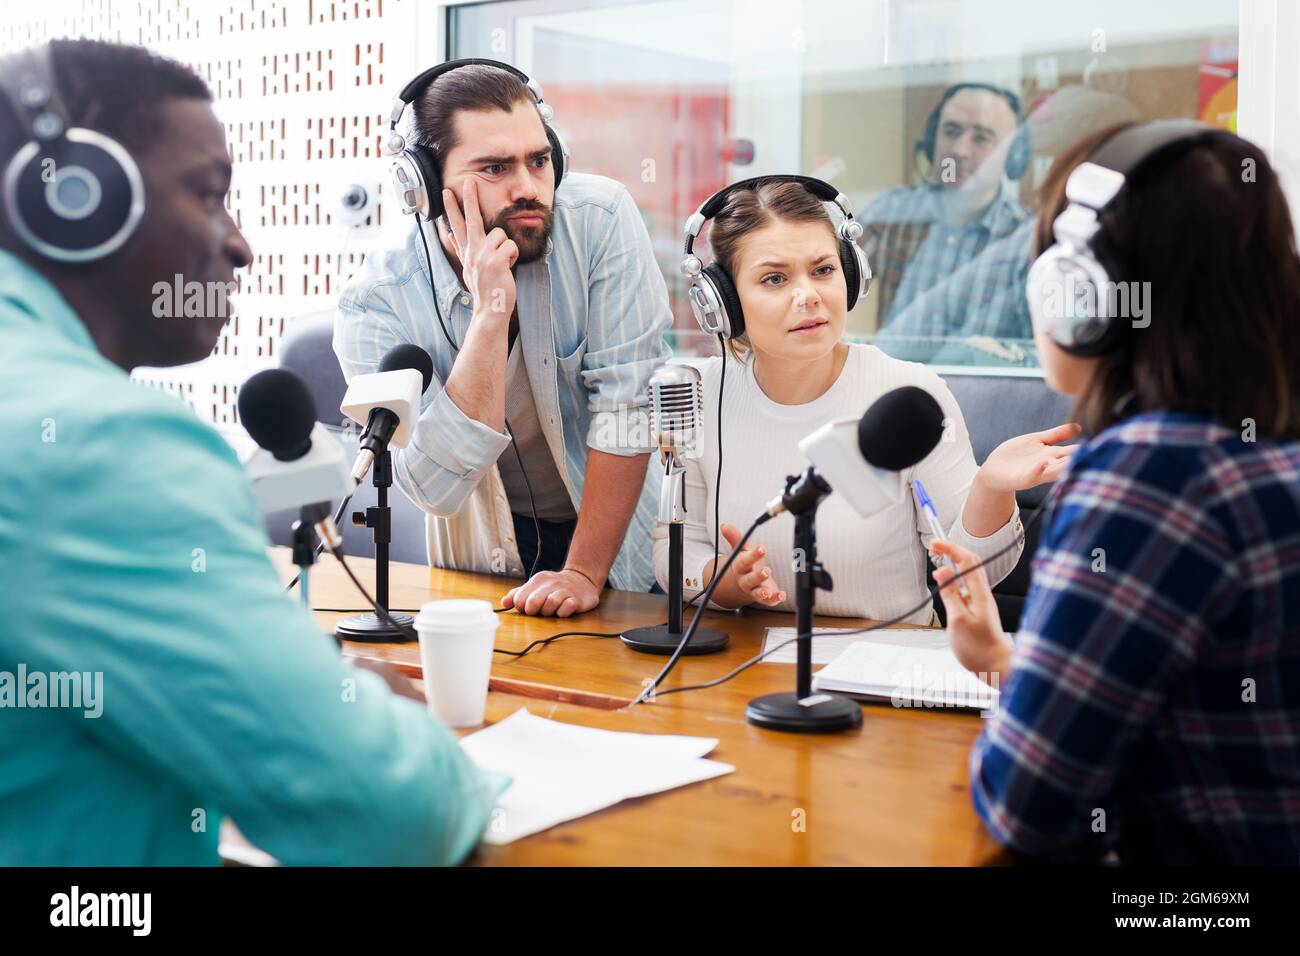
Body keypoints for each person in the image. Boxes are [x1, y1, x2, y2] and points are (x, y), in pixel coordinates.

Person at [0, 39, 501, 865]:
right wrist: (366, 719)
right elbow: (392, 813)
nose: (240, 247)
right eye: (208, 194)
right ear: (77, 202)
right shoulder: (102, 449)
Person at [932, 121, 1300, 864]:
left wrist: (1023, 694)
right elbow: (1197, 702)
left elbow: (1027, 804)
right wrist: (1012, 663)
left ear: (1080, 294)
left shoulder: (1153, 474)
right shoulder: (1262, 450)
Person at [655, 177, 1078, 621]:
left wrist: (991, 488)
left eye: (823, 270)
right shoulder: (698, 395)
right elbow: (672, 550)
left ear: (851, 275)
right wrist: (725, 583)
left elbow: (969, 573)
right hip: (746, 671)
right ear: (723, 301)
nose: (809, 296)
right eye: (774, 278)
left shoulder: (905, 393)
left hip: (886, 669)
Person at [336, 60, 670, 618]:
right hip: (482, 562)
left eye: (539, 161)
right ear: (418, 182)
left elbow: (628, 408)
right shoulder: (374, 305)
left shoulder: (601, 220)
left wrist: (582, 571)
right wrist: (489, 316)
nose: (528, 188)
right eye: (494, 168)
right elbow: (433, 488)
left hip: (615, 543)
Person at [860, 83, 1030, 341]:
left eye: (981, 138)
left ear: (1013, 155)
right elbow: (827, 276)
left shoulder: (1025, 240)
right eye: (951, 131)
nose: (960, 150)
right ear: (932, 141)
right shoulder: (893, 211)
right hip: (897, 380)